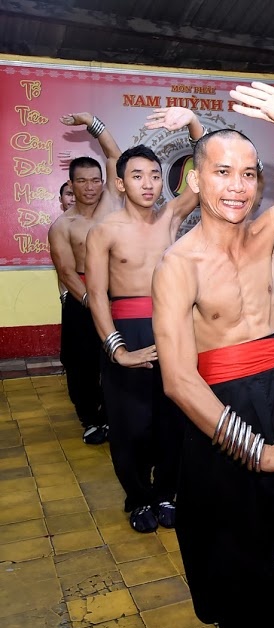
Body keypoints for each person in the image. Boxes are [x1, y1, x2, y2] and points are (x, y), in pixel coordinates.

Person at [152, 83, 274, 628]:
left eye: (247, 174)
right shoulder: (178, 265)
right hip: (217, 409)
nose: (236, 187)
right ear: (195, 179)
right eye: (221, 172)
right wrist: (258, 453)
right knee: (233, 545)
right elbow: (176, 380)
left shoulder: (270, 231)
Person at [86, 108, 204, 532]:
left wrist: (192, 123)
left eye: (154, 175)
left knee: (175, 417)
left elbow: (204, 166)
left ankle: (169, 492)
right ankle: (139, 497)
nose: (149, 184)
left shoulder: (172, 215)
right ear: (120, 183)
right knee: (131, 424)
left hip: (173, 326)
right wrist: (117, 349)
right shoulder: (104, 231)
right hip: (126, 331)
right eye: (137, 176)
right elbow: (97, 294)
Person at [48, 113, 122, 445]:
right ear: (71, 185)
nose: (90, 187)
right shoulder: (62, 226)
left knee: (118, 357)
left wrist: (93, 122)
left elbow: (114, 157)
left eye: (95, 180)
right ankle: (90, 419)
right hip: (82, 299)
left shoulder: (111, 206)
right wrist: (94, 304)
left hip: (116, 291)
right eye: (82, 181)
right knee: (81, 362)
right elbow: (66, 271)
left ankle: (114, 415)